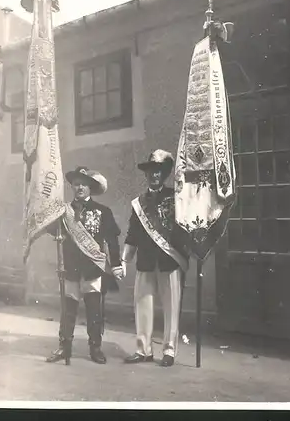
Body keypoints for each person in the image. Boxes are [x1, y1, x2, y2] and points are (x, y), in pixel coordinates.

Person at [46, 166, 123, 365]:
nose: (79, 187)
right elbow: (52, 229)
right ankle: (65, 346)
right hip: (70, 267)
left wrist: (115, 264)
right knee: (68, 309)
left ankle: (95, 347)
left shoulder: (103, 212)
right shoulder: (64, 212)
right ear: (72, 186)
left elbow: (112, 240)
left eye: (84, 183)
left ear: (90, 187)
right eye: (76, 183)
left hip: (92, 269)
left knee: (94, 310)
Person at [121, 150, 189, 367]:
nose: (154, 176)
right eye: (151, 172)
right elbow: (132, 234)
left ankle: (169, 351)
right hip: (146, 261)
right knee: (142, 306)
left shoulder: (177, 198)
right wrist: (124, 261)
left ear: (165, 174)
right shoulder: (138, 203)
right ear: (146, 175)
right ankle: (143, 351)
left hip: (169, 260)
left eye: (158, 172)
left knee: (171, 308)